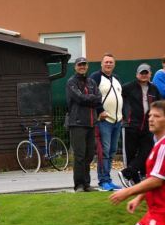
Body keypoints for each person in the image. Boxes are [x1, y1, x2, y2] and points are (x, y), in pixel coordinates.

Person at [97, 100, 165, 225]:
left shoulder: (163, 146)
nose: (151, 119)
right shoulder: (157, 144)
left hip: (162, 212)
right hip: (154, 209)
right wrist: (139, 197)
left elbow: (157, 180)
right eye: (150, 115)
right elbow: (156, 177)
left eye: (157, 116)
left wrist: (127, 191)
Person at [119, 64, 162, 186]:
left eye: (146, 73)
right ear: (137, 74)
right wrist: (124, 114)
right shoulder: (128, 87)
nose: (144, 75)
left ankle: (128, 173)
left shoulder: (154, 89)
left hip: (148, 127)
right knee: (130, 153)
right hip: (131, 125)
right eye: (141, 73)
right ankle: (133, 179)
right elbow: (117, 99)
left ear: (150, 74)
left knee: (147, 151)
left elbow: (158, 106)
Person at [66, 57, 103, 192]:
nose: (82, 67)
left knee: (89, 155)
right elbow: (79, 98)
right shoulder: (71, 82)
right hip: (77, 123)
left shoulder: (92, 82)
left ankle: (87, 184)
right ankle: (79, 185)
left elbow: (99, 98)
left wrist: (90, 98)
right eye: (80, 65)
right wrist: (92, 98)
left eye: (84, 65)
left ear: (87, 66)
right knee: (80, 155)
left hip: (91, 123)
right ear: (75, 67)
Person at [90, 53, 124, 191]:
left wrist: (123, 115)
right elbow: (92, 95)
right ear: (101, 64)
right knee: (104, 151)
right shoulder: (95, 77)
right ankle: (103, 181)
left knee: (112, 151)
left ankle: (108, 179)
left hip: (117, 121)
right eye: (106, 62)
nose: (108, 64)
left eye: (111, 62)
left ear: (114, 64)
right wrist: (99, 111)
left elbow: (120, 97)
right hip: (104, 121)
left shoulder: (116, 79)